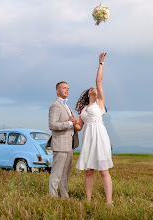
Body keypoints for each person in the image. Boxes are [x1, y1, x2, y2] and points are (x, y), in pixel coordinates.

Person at [73, 53, 113, 205]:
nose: (94, 87)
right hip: (88, 139)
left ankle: (109, 201)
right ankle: (88, 200)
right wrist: (72, 122)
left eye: (95, 88)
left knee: (103, 171)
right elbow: (79, 126)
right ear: (88, 93)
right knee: (89, 171)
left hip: (100, 138)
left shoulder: (100, 104)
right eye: (91, 88)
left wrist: (101, 63)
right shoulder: (83, 109)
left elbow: (99, 80)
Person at [48, 81, 79, 198]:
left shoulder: (67, 105)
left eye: (68, 88)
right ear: (57, 90)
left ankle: (65, 198)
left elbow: (68, 122)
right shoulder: (55, 105)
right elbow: (52, 125)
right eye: (64, 88)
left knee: (65, 175)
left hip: (68, 145)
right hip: (60, 144)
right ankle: (52, 198)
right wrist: (69, 123)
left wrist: (71, 121)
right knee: (56, 174)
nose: (67, 90)